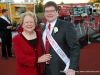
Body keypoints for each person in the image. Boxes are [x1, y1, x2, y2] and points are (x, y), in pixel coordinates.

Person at [42, 1, 80, 75]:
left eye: (52, 11)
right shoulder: (43, 28)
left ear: (57, 12)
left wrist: (72, 68)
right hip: (45, 69)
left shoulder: (66, 26)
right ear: (44, 13)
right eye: (47, 11)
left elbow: (75, 47)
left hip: (62, 69)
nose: (49, 13)